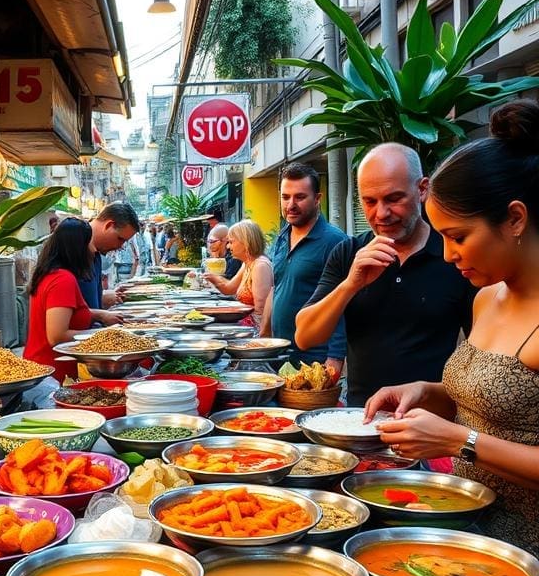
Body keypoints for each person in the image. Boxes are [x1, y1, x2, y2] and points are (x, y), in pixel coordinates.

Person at [364, 101, 539, 554]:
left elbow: (475, 431)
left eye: (458, 237)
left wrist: (461, 441)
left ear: (515, 219)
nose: (447, 254)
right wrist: (427, 392)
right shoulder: (486, 299)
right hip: (465, 531)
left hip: (524, 552)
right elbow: (494, 404)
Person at [294, 143, 475, 406]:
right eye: (369, 201)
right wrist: (351, 284)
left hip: (429, 425)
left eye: (394, 199)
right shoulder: (350, 253)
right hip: (359, 421)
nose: (381, 213)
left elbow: (483, 354)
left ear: (422, 189)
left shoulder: (452, 254)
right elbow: (305, 336)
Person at [262, 163, 347, 376]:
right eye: (285, 197)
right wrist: (263, 335)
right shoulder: (281, 237)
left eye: (300, 197)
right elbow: (278, 287)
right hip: (279, 354)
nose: (291, 204)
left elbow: (345, 303)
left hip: (315, 360)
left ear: (317, 199)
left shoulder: (335, 241)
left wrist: (335, 358)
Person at [24, 218, 96, 381]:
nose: (93, 249)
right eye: (90, 243)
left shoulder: (51, 274)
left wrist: (99, 315)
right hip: (52, 375)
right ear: (78, 247)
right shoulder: (62, 280)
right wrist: (100, 335)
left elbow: (66, 313)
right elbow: (56, 336)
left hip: (46, 371)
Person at [76, 202, 140, 324]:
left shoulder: (96, 253)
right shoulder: (72, 250)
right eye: (120, 239)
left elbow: (81, 299)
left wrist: (103, 297)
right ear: (109, 225)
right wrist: (100, 314)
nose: (120, 246)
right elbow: (62, 309)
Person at [203, 220, 273, 326]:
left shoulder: (260, 266)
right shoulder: (248, 263)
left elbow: (262, 312)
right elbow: (228, 288)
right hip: (245, 324)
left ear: (245, 242)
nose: (228, 247)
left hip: (254, 329)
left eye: (231, 242)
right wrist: (211, 277)